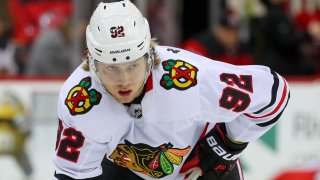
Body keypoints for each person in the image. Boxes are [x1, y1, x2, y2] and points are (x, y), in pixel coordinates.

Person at [52, 1, 290, 179]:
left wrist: (224, 145)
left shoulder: (187, 78)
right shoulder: (80, 100)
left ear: (150, 55)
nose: (124, 81)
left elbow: (272, 91)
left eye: (133, 65)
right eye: (112, 69)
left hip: (197, 164)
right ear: (92, 65)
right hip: (124, 169)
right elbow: (73, 174)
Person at [0, 91, 32, 177]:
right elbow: (25, 130)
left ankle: (28, 173)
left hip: (10, 145)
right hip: (15, 146)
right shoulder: (16, 113)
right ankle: (28, 173)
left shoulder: (4, 111)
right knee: (22, 156)